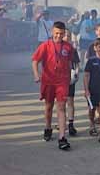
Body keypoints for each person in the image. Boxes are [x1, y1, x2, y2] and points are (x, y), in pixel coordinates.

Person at [31, 21, 75, 150]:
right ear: (52, 32)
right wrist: (36, 74)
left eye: (61, 34)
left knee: (61, 107)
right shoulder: (45, 45)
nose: (58, 36)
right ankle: (48, 127)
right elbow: (35, 61)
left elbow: (71, 62)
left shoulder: (68, 47)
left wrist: (73, 74)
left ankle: (62, 137)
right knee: (49, 106)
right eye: (56, 33)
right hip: (48, 80)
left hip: (62, 81)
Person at [64, 29, 81, 137]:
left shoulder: (72, 50)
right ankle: (61, 122)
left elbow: (77, 63)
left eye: (68, 36)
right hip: (58, 79)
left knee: (70, 101)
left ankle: (70, 123)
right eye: (65, 35)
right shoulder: (55, 48)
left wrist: (76, 73)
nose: (66, 37)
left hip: (69, 79)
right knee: (60, 102)